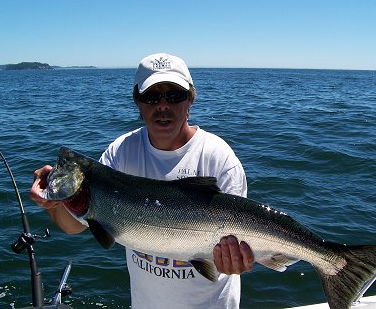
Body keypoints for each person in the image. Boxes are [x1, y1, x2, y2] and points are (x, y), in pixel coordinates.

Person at [30, 53, 255, 308]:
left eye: (174, 95)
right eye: (151, 97)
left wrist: (237, 259)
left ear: (190, 99)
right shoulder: (122, 151)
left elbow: (238, 238)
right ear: (138, 102)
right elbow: (74, 226)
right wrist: (54, 204)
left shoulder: (218, 157)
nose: (162, 105)